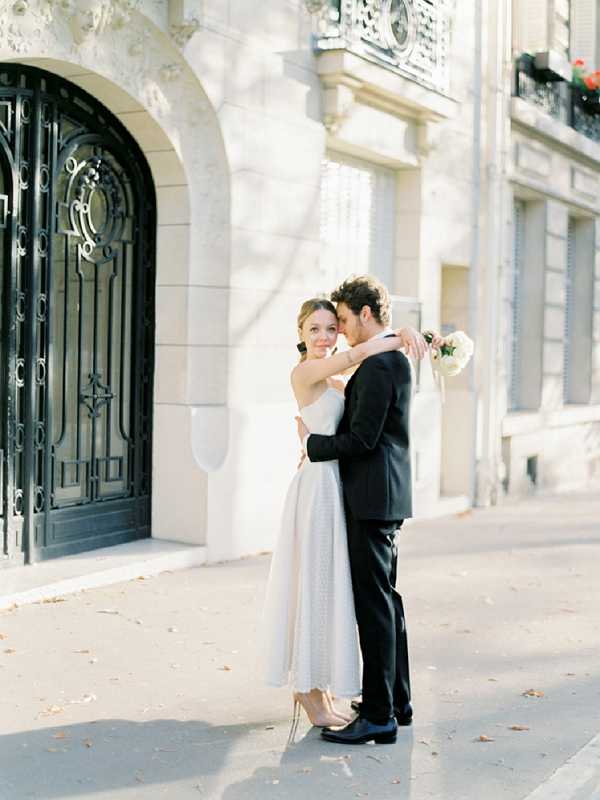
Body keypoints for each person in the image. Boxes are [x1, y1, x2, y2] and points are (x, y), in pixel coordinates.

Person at [261, 291, 428, 733]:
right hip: (317, 489)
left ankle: (336, 688)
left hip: (341, 490)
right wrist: (394, 336)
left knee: (335, 589)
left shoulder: (343, 377)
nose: (324, 336)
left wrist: (407, 334)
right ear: (300, 333)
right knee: (316, 584)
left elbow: (361, 365)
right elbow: (358, 353)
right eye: (314, 329)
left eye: (331, 327)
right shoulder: (309, 371)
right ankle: (309, 688)